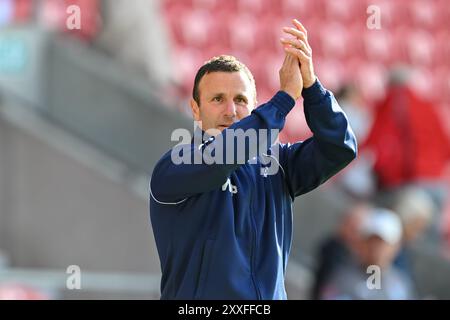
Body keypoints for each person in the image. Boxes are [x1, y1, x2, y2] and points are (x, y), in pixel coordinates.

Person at [149, 19, 357, 300]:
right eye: (217, 99)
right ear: (195, 110)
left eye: (241, 99)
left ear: (255, 107)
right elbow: (222, 157)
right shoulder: (175, 164)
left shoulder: (279, 163)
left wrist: (311, 87)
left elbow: (340, 147)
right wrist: (284, 99)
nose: (231, 110)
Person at [319, 208, 416, 300]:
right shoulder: (342, 276)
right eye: (372, 241)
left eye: (383, 243)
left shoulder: (401, 285)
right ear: (362, 243)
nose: (376, 248)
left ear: (396, 247)